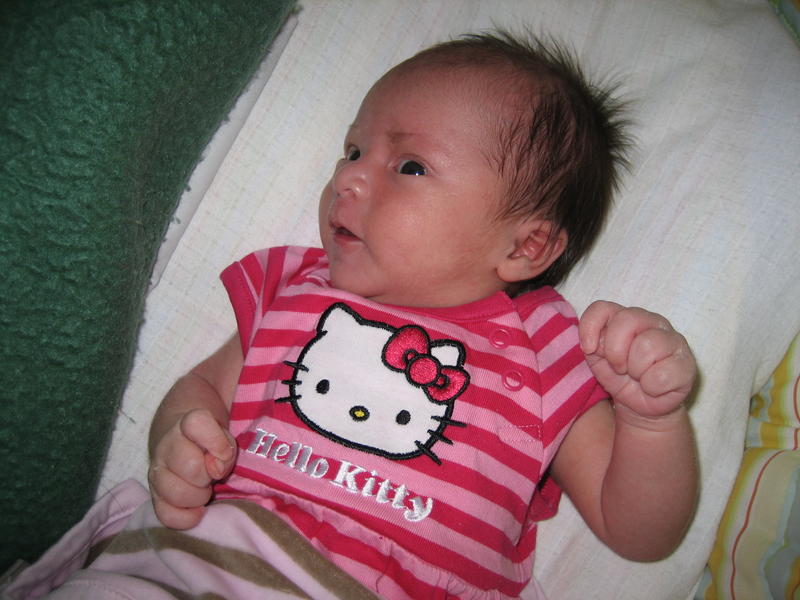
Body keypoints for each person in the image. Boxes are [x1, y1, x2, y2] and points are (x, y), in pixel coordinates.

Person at [4, 31, 697, 600]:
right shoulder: (297, 287)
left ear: (526, 247)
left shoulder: (545, 348)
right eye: (354, 151)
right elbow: (204, 387)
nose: (348, 177)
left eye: (410, 166)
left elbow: (638, 531)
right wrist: (181, 437)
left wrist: (649, 421)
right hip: (196, 560)